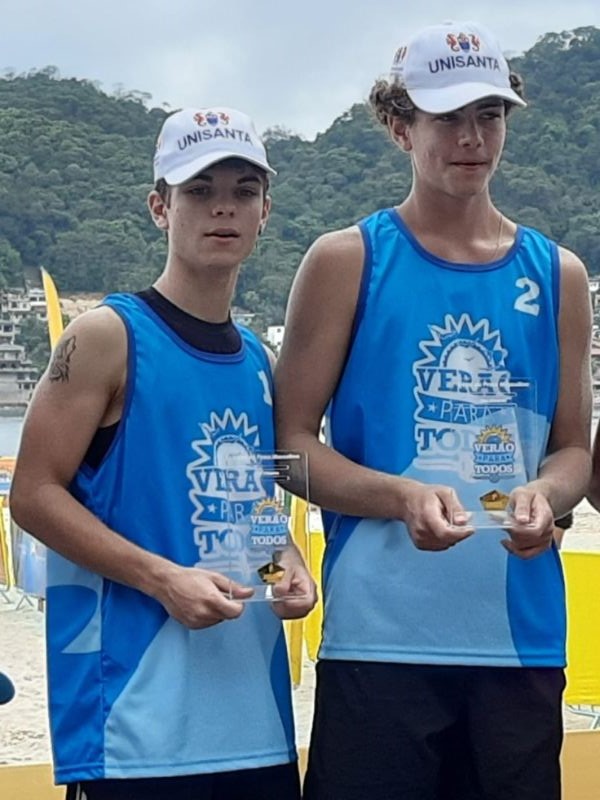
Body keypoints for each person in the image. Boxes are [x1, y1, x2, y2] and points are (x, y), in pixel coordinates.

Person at [274, 20, 592, 800]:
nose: (472, 137)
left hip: (519, 643)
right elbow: (288, 445)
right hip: (377, 640)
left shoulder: (559, 274)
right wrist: (401, 496)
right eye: (446, 117)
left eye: (489, 116)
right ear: (398, 126)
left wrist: (542, 498)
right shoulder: (348, 258)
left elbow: (574, 452)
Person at [10, 105, 316, 800]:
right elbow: (33, 494)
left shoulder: (258, 364)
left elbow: (251, 500)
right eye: (199, 191)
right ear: (159, 206)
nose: (222, 209)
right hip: (135, 723)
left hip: (253, 714)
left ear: (265, 211)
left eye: (242, 191)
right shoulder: (107, 336)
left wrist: (287, 560)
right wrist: (160, 578)